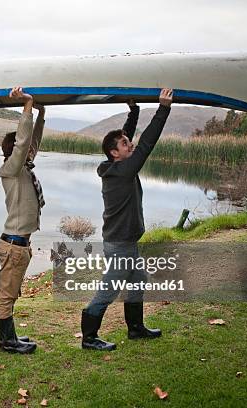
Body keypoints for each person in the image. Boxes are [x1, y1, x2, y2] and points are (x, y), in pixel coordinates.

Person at [80, 88, 173, 351]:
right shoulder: (121, 172)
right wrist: (163, 108)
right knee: (108, 291)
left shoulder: (118, 165)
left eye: (127, 141)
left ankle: (135, 329)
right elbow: (146, 145)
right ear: (114, 154)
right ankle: (89, 338)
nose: (129, 144)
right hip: (120, 245)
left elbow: (129, 141)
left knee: (138, 280)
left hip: (125, 242)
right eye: (123, 144)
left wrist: (134, 111)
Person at [0, 86, 46, 354]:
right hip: (13, 246)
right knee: (7, 297)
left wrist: (41, 112)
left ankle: (8, 335)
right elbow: (24, 142)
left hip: (19, 244)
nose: (29, 153)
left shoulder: (23, 167)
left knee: (10, 296)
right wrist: (27, 107)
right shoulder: (11, 170)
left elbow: (30, 142)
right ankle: (7, 341)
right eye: (23, 152)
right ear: (14, 153)